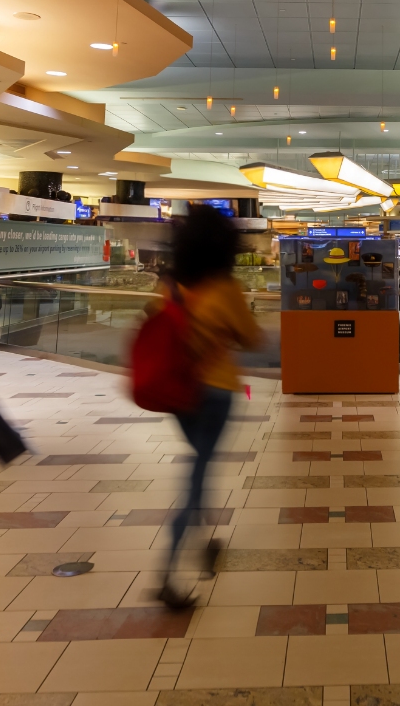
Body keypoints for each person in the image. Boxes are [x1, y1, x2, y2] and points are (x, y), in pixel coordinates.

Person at [156, 205, 262, 610]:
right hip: (215, 392)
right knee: (197, 475)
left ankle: (205, 542)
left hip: (179, 393)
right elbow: (251, 338)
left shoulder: (172, 286)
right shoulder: (226, 288)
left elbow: (159, 325)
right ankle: (167, 573)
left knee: (199, 464)